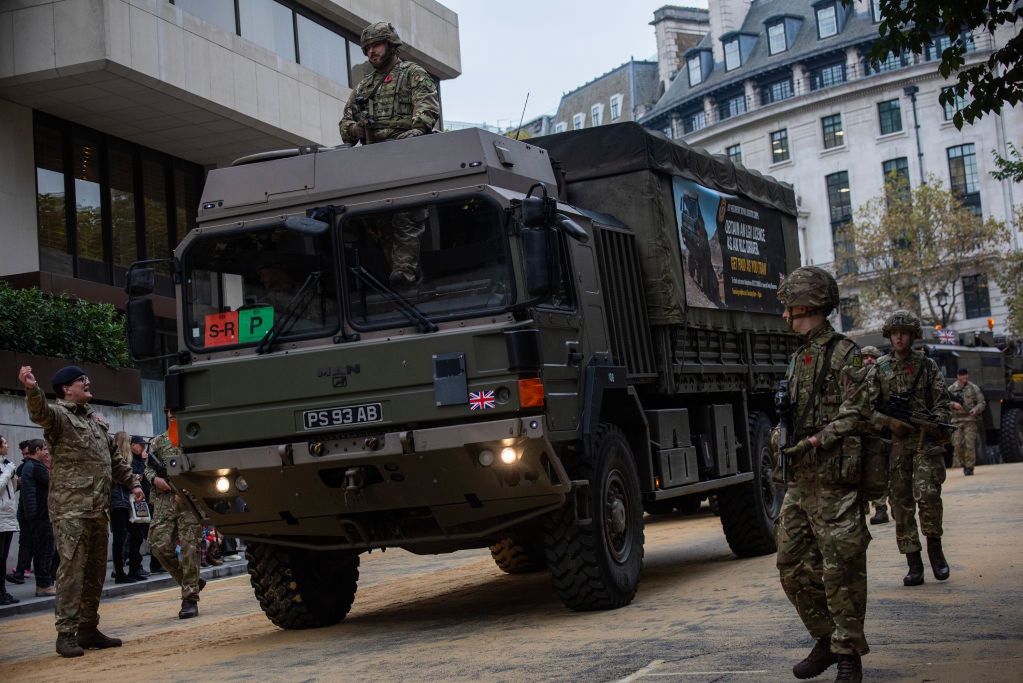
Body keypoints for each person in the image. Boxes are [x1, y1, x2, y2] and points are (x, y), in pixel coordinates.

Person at [774, 266, 870, 683]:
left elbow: (858, 411)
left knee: (840, 569)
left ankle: (848, 653)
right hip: (801, 480)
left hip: (833, 478)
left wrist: (818, 440)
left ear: (807, 307)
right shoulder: (797, 358)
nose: (785, 318)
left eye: (789, 310)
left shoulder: (845, 354)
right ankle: (827, 639)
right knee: (791, 565)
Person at [18, 364, 144, 658]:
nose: (87, 382)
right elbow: (40, 413)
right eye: (80, 380)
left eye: (86, 379)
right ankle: (66, 633)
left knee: (96, 572)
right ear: (66, 389)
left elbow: (114, 461)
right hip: (71, 510)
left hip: (99, 508)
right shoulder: (59, 416)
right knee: (72, 571)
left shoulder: (96, 421)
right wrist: (31, 388)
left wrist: (134, 484)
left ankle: (88, 627)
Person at [338, 21, 440, 288]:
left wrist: (414, 134)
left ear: (391, 45)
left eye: (377, 45)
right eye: (368, 47)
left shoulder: (412, 74)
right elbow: (344, 126)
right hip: (376, 162)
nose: (372, 52)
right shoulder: (363, 88)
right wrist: (357, 128)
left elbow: (427, 111)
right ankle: (401, 276)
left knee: (407, 216)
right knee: (382, 220)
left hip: (408, 155)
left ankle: (405, 271)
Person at [866, 311, 952, 586]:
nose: (899, 337)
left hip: (925, 441)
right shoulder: (879, 368)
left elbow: (941, 401)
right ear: (889, 336)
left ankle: (936, 553)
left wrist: (936, 420)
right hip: (896, 446)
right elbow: (865, 409)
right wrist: (889, 422)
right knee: (900, 505)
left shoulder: (926, 366)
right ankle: (913, 563)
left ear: (913, 336)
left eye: (904, 332)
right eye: (894, 333)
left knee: (928, 496)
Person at [147, 421, 205, 619]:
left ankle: (189, 599)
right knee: (158, 545)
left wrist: (188, 488)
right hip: (164, 501)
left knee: (190, 547)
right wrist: (155, 480)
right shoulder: (158, 442)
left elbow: (204, 467)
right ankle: (191, 581)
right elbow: (148, 469)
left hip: (190, 501)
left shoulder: (195, 438)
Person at [20, 439, 56, 598]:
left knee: (44, 551)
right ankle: (44, 585)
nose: (47, 452)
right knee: (44, 551)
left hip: (37, 516)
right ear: (38, 450)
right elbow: (53, 483)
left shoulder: (30, 466)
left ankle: (45, 583)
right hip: (40, 516)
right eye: (45, 449)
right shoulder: (36, 467)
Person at [858, 346, 890, 525]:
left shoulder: (884, 377)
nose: (869, 359)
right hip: (859, 430)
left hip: (878, 431)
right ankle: (862, 505)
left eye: (873, 357)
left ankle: (880, 508)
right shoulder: (855, 378)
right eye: (865, 357)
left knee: (877, 469)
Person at [109, 433, 145, 584]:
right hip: (118, 501)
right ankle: (120, 572)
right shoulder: (116, 460)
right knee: (120, 537)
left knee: (135, 535)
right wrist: (133, 480)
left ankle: (132, 570)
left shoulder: (128, 460)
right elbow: (117, 478)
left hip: (125, 501)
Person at [948, 368, 986, 475]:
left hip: (970, 420)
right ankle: (964, 463)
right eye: (962, 375)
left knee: (969, 444)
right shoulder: (951, 389)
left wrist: (976, 409)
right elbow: (943, 402)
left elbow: (982, 402)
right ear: (958, 376)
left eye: (966, 375)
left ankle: (969, 467)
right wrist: (953, 405)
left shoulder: (973, 388)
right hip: (956, 421)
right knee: (957, 445)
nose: (965, 377)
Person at [128, 436, 150, 580]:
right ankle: (133, 567)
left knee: (139, 536)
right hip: (133, 502)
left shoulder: (140, 460)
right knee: (134, 536)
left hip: (142, 501)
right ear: (132, 445)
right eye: (140, 445)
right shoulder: (130, 460)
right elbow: (135, 476)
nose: (142, 448)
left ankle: (136, 566)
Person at [0, 435, 19, 605]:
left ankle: (3, 592)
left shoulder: (6, 465)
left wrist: (12, 476)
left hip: (8, 516)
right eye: (4, 443)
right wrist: (7, 473)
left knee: (4, 557)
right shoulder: (5, 468)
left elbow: (11, 489)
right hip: (1, 517)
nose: (7, 445)